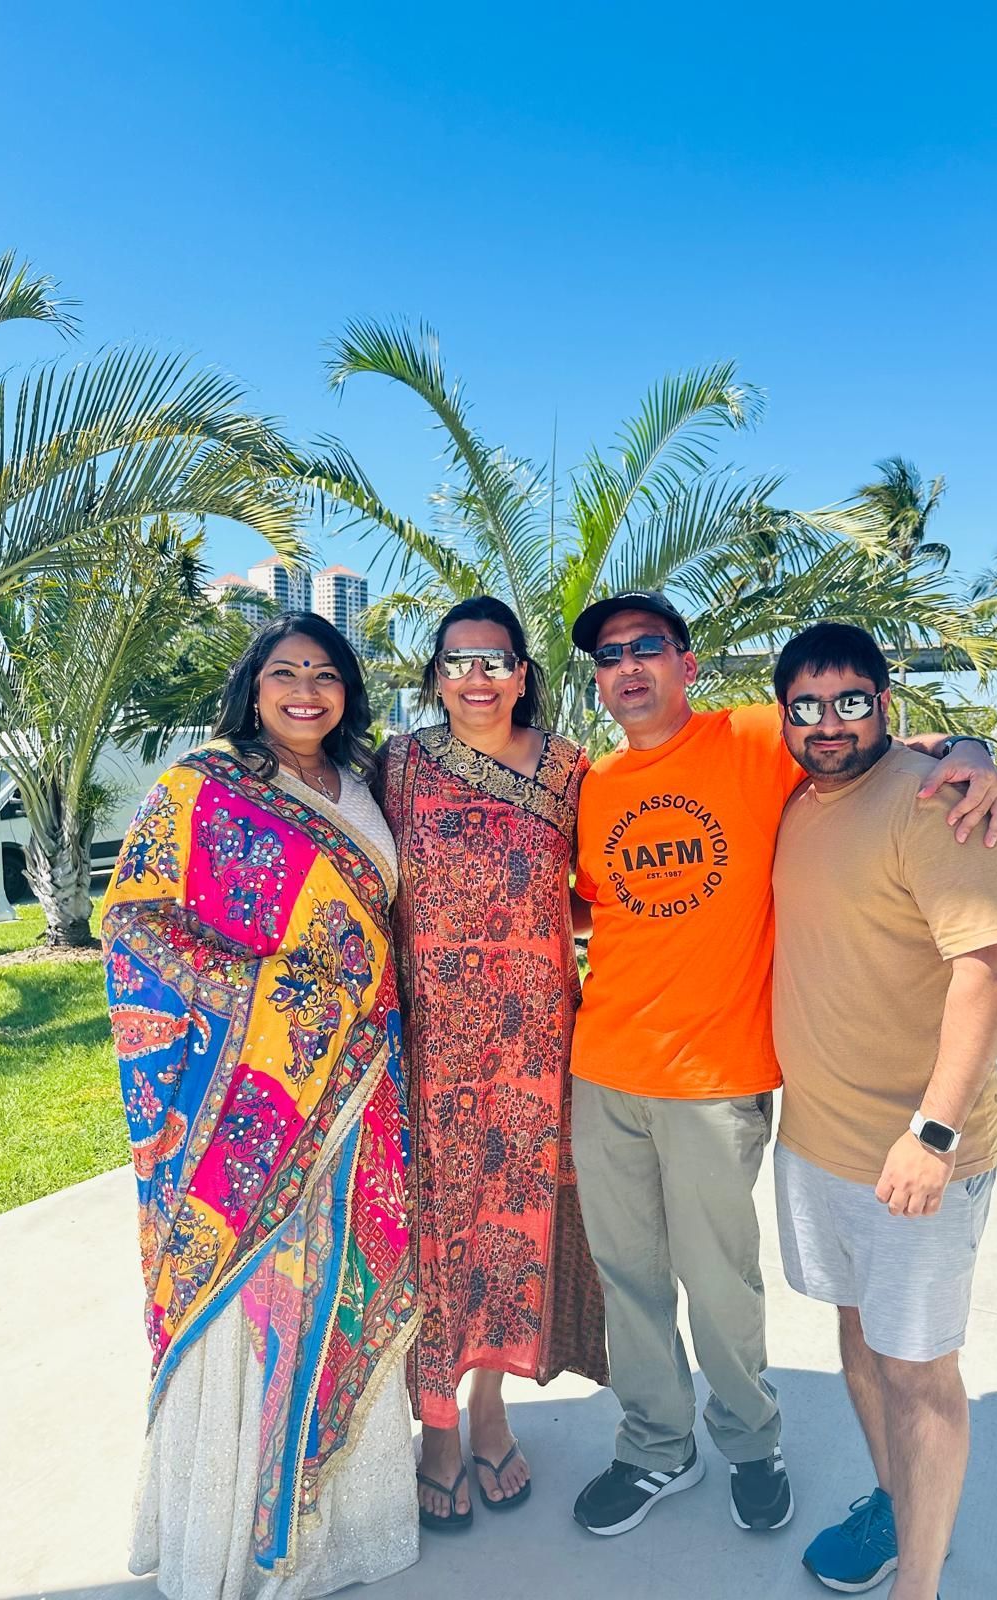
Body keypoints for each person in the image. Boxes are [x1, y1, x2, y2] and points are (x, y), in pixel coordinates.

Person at [566, 590, 997, 1540]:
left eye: (649, 646)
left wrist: (970, 751)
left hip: (715, 1076)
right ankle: (655, 1446)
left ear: (688, 664)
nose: (630, 666)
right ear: (597, 680)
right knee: (628, 1276)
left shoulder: (758, 737)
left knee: (720, 1280)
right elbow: (594, 906)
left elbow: (872, 730)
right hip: (604, 1066)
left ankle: (752, 1439)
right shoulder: (593, 782)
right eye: (610, 655)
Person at [102, 612, 419, 1599]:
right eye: (284, 672)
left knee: (347, 1286)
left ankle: (343, 1529)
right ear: (252, 685)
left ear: (347, 692)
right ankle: (232, 1542)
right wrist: (277, 996)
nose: (305, 691)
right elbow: (138, 916)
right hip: (248, 1106)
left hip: (364, 1087)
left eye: (325, 675)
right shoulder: (204, 786)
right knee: (253, 1304)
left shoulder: (365, 789)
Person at [770, 622, 997, 1600]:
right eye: (808, 704)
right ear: (784, 714)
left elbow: (988, 966)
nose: (829, 721)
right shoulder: (799, 799)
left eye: (851, 700)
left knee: (919, 1369)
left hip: (917, 1153)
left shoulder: (935, 805)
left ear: (887, 703)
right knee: (860, 1337)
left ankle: (918, 1584)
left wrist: (934, 1131)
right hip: (819, 1143)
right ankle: (893, 1501)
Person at [374, 595, 607, 1531]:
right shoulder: (396, 766)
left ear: (523, 674)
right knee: (439, 1226)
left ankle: (492, 1408)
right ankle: (435, 1426)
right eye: (459, 659)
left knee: (518, 1222)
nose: (477, 676)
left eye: (496, 659)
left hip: (534, 1041)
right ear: (435, 675)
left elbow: (605, 889)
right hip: (429, 1042)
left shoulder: (566, 769)